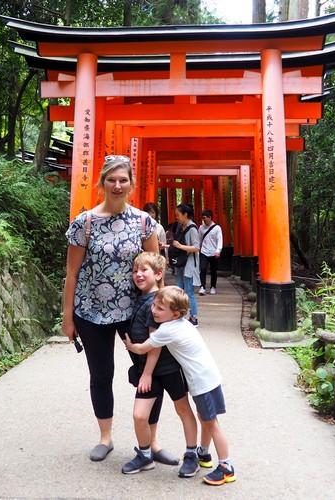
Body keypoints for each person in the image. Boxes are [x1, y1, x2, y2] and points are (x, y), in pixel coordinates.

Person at [62, 155, 159, 462]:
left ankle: (151, 442)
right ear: (102, 183)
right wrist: (67, 316)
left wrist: (161, 313)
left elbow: (157, 271)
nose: (117, 186)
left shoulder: (144, 223)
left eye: (123, 180)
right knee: (101, 373)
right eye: (111, 180)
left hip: (135, 311)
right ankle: (105, 437)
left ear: (132, 184)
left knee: (149, 371)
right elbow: (72, 273)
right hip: (90, 311)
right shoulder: (84, 222)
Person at [124, 286, 236, 486]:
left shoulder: (167, 329)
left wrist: (131, 346)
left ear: (174, 314)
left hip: (202, 382)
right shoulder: (184, 323)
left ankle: (226, 467)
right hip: (210, 377)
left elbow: (143, 348)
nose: (154, 311)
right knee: (205, 418)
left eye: (159, 309)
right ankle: (204, 454)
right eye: (154, 306)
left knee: (211, 423)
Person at [121, 252, 199, 476]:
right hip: (149, 369)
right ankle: (145, 454)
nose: (138, 275)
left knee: (183, 409)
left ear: (158, 274)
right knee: (139, 415)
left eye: (143, 270)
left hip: (166, 368)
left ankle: (191, 453)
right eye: (135, 271)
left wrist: (145, 374)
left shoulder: (157, 303)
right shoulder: (142, 298)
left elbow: (155, 344)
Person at [171, 203, 200, 326]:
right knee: (178, 290)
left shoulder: (192, 228)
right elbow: (177, 244)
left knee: (189, 291)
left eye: (178, 215)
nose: (176, 217)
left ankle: (194, 318)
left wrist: (180, 246)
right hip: (180, 262)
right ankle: (179, 316)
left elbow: (196, 247)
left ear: (185, 215)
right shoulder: (180, 226)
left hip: (188, 264)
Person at [197, 210, 223, 296]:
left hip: (213, 252)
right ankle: (202, 287)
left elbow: (220, 239)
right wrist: (197, 248)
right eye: (202, 218)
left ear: (210, 217)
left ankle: (213, 286)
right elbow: (199, 239)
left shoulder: (217, 228)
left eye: (205, 218)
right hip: (204, 251)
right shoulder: (201, 228)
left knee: (213, 271)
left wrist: (218, 250)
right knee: (203, 269)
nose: (204, 220)